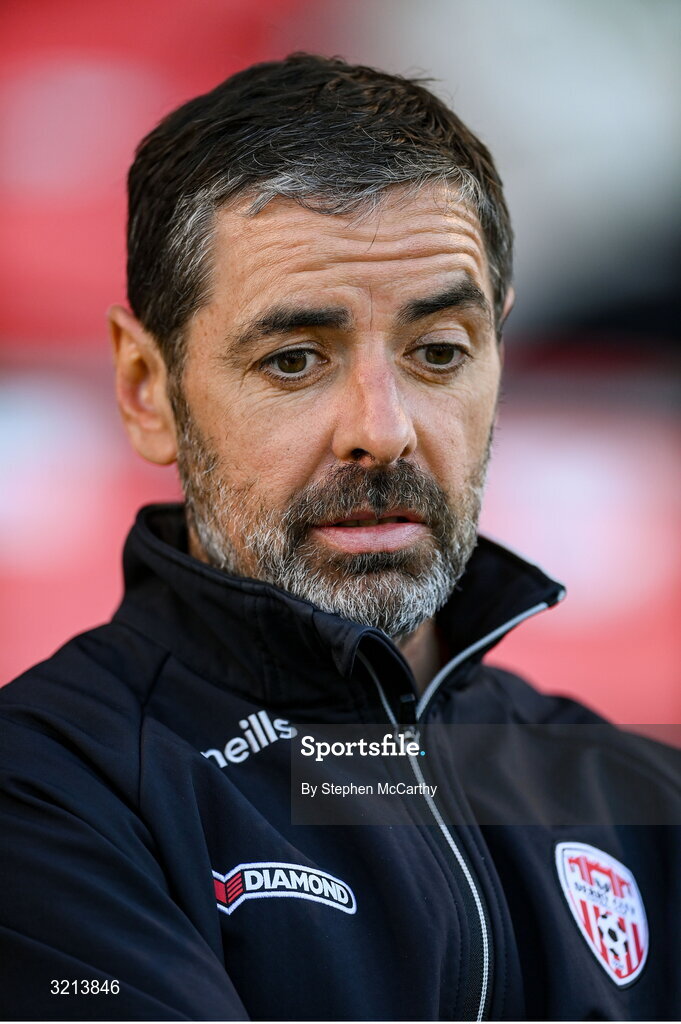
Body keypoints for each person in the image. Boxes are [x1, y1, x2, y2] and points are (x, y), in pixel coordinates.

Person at [0, 53, 678, 1022]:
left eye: (439, 351)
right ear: (147, 388)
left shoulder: (623, 784)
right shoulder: (51, 787)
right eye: (296, 359)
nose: (384, 427)